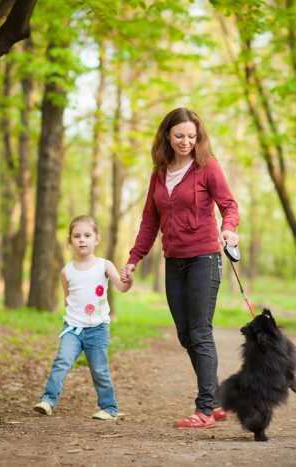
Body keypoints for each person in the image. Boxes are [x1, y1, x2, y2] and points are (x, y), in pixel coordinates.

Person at [120, 107, 240, 428]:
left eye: (191, 136)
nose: (186, 141)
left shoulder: (207, 167)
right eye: (179, 136)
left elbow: (229, 205)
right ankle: (214, 400)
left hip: (204, 257)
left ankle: (204, 409)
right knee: (186, 334)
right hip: (173, 261)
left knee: (200, 331)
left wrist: (228, 228)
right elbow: (150, 220)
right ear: (167, 137)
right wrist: (134, 258)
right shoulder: (159, 173)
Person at [34, 215, 132, 420]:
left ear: (97, 239)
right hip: (72, 329)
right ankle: (47, 400)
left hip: (97, 329)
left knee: (99, 369)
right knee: (61, 362)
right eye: (76, 236)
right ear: (70, 241)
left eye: (87, 235)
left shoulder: (104, 265)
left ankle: (109, 408)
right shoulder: (66, 271)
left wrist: (128, 281)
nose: (82, 239)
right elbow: (68, 298)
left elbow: (122, 287)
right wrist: (72, 317)